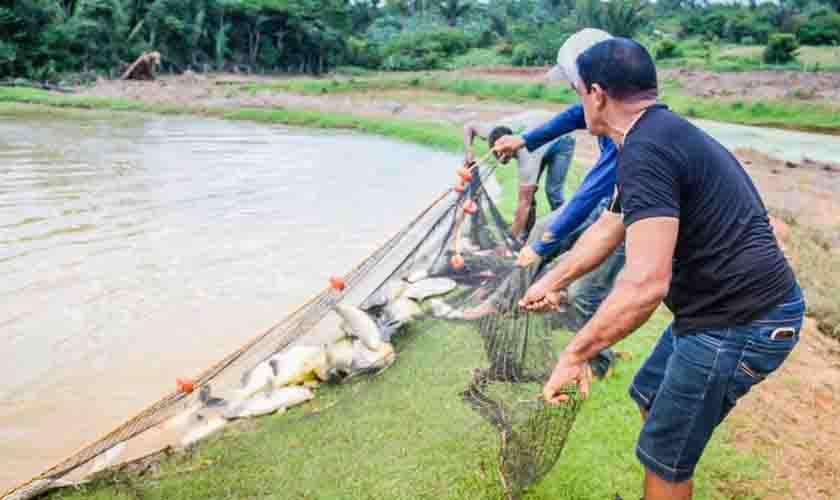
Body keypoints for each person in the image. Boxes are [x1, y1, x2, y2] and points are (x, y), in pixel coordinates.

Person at [519, 38, 803, 500]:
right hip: (722, 311)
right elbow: (609, 228)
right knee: (650, 393)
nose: (579, 103)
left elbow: (645, 285)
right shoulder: (654, 134)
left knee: (666, 458)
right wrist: (553, 279)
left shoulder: (648, 151)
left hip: (742, 321)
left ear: (596, 94)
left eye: (576, 93)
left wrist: (575, 354)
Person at [465, 29, 624, 329]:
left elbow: (592, 190)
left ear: (595, 89)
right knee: (542, 229)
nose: (574, 94)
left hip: (633, 219)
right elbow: (573, 116)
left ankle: (597, 360)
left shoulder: (627, 134)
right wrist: (523, 139)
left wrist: (542, 245)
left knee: (585, 291)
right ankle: (504, 302)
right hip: (611, 201)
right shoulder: (604, 107)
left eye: (575, 87)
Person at [463, 110, 574, 242]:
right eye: (497, 153)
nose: (500, 157)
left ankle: (566, 231)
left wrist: (509, 241)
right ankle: (526, 234)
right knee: (530, 194)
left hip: (562, 138)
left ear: (511, 146)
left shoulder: (526, 155)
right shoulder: (492, 132)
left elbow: (523, 203)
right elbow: (469, 127)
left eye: (505, 154)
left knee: (553, 192)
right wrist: (469, 150)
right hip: (536, 128)